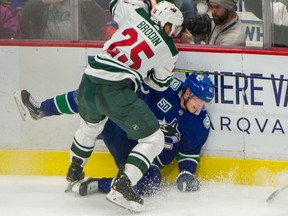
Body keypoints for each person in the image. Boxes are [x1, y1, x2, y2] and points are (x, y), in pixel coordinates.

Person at [27, 0, 181, 212]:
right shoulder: (170, 49)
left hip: (88, 81)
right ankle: (123, 186)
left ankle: (75, 170)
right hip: (116, 90)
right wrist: (153, 71)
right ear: (167, 23)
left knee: (90, 128)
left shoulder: (136, 13)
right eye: (173, 27)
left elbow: (114, 4)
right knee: (154, 138)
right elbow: (160, 84)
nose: (174, 32)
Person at [15, 73, 214, 198]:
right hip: (124, 134)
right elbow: (142, 84)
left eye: (203, 103)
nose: (199, 106)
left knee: (152, 183)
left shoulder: (200, 123)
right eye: (198, 100)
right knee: (97, 96)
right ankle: (41, 109)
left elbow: (189, 152)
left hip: (146, 163)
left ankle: (96, 184)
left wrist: (187, 173)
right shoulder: (166, 88)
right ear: (187, 92)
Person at [20, 0, 106, 40]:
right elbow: (26, 15)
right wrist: (43, 2)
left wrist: (89, 3)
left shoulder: (81, 3)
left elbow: (101, 21)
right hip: (45, 50)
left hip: (80, 49)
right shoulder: (43, 3)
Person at [181, 0, 246, 46]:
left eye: (217, 7)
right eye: (211, 7)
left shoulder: (234, 38)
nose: (213, 12)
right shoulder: (220, 20)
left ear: (230, 9)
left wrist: (192, 44)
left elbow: (216, 63)